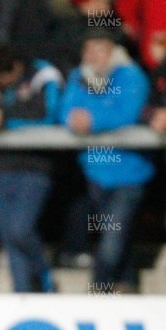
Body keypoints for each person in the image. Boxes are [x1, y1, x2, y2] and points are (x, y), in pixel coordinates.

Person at [60, 29, 153, 291]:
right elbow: (67, 109)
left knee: (112, 239)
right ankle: (127, 286)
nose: (91, 56)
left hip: (129, 174)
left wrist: (93, 120)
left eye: (98, 49)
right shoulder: (80, 77)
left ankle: (99, 291)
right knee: (116, 237)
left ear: (113, 50)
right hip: (95, 172)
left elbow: (128, 112)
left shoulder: (130, 75)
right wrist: (72, 119)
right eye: (87, 49)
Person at [0, 45, 63, 292]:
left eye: (5, 77)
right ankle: (22, 294)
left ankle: (45, 280)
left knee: (20, 230)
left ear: (16, 67)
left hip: (34, 167)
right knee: (9, 238)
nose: (2, 83)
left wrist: (4, 118)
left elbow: (49, 116)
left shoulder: (44, 75)